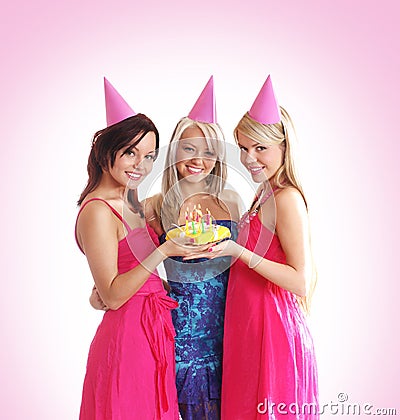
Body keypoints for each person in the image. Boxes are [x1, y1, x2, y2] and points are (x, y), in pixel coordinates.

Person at [188, 76, 319, 419]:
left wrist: (236, 250)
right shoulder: (263, 194)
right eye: (244, 148)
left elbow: (299, 280)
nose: (249, 158)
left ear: (283, 147)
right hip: (246, 326)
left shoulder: (287, 198)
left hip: (271, 330)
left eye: (259, 148)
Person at [77, 78, 208, 420]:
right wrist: (163, 251)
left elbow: (122, 276)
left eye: (149, 155)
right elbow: (114, 295)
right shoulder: (97, 211)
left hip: (155, 333)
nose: (141, 165)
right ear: (107, 152)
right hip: (127, 340)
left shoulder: (131, 203)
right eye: (131, 153)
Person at [145, 76, 241, 419]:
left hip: (229, 330)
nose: (198, 159)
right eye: (189, 148)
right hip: (180, 335)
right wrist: (100, 289)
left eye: (208, 151)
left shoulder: (231, 202)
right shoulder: (155, 206)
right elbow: (132, 261)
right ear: (175, 152)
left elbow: (245, 266)